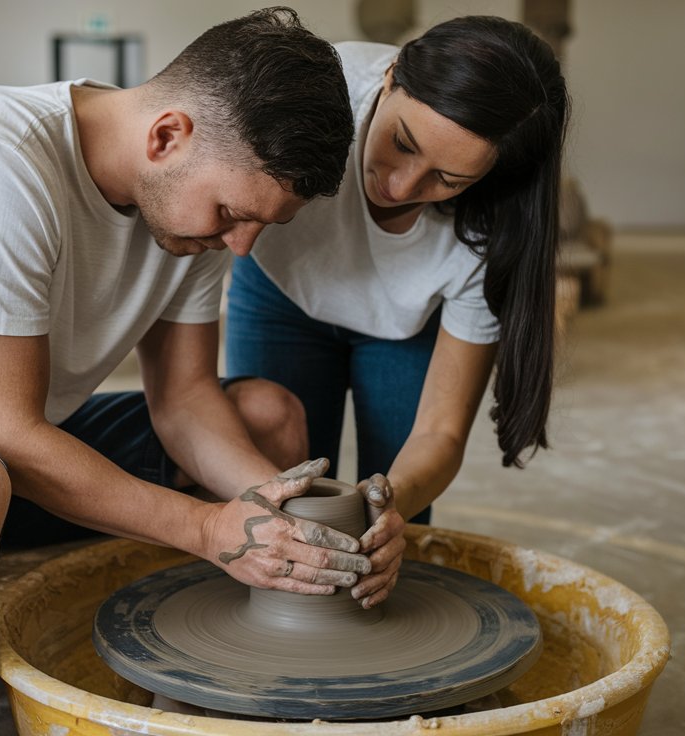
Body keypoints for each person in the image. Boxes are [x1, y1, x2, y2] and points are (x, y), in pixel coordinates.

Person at [0, 9, 367, 735]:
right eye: (233, 213)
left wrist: (283, 521)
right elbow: (1, 430)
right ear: (168, 135)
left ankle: (216, 696)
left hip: (5, 469)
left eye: (261, 224)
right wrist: (209, 530)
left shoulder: (191, 215)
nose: (241, 246)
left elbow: (184, 398)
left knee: (267, 414)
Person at [225, 16, 570, 606]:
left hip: (405, 324)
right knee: (280, 486)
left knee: (388, 512)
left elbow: (439, 431)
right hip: (280, 289)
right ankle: (280, 631)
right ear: (388, 79)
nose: (402, 184)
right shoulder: (309, 92)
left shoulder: (493, 231)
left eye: (448, 179)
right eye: (402, 143)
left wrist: (395, 505)